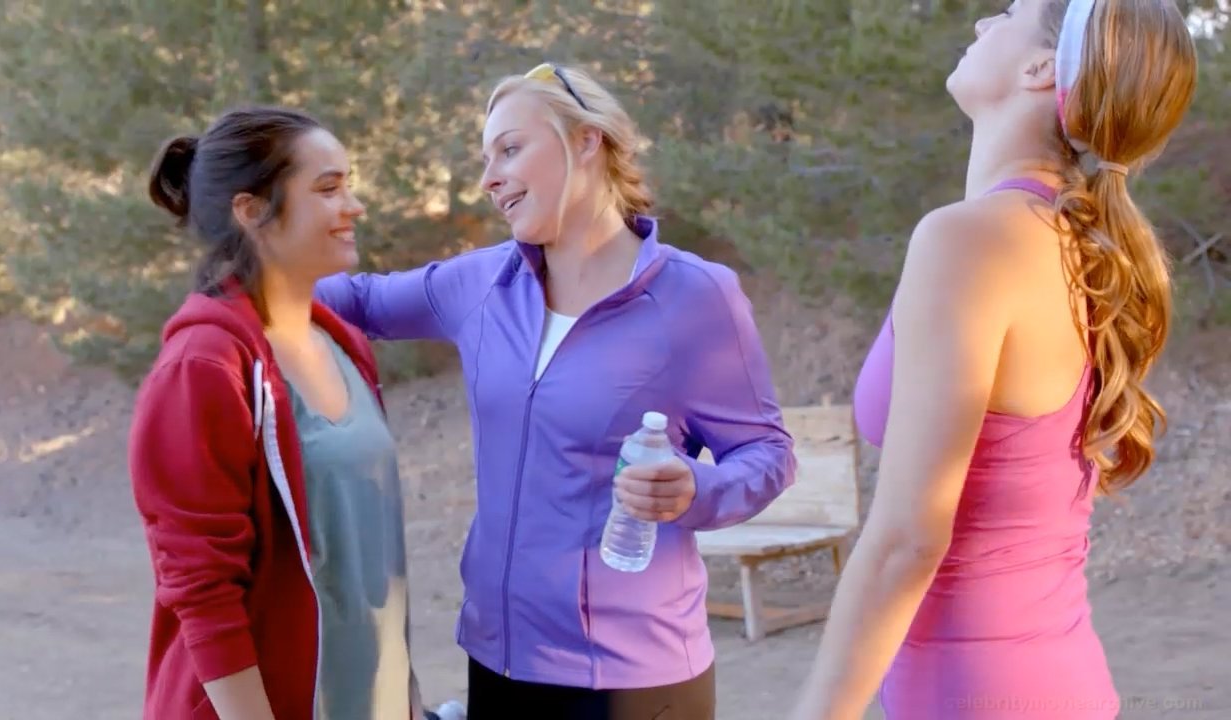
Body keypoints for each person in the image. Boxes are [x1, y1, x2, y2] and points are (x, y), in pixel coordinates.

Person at [315, 62, 798, 719]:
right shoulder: (482, 285)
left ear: (586, 140)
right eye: (486, 160)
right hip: (499, 660)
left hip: (635, 679)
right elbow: (350, 300)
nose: (489, 179)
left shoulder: (696, 296)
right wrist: (248, 262)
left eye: (510, 149)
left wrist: (696, 488)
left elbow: (767, 454)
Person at [791, 1, 1197, 718]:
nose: (982, 24)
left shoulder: (972, 241)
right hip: (1059, 681)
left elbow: (906, 540)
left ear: (1041, 67)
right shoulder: (1081, 246)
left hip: (972, 694)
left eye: (1008, 12)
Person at [129, 106, 457, 720]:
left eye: (348, 184)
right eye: (328, 189)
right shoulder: (204, 364)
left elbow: (369, 557)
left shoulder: (343, 343)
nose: (354, 206)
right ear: (251, 210)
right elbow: (202, 589)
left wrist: (405, 700)